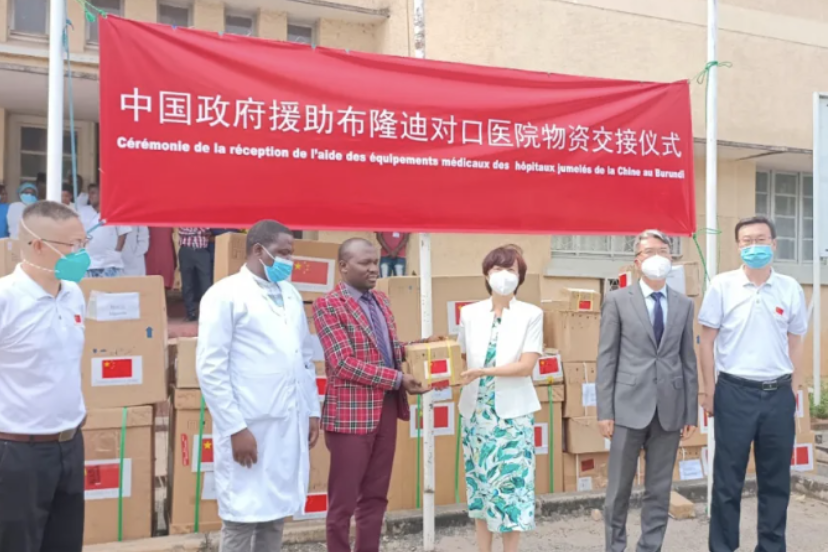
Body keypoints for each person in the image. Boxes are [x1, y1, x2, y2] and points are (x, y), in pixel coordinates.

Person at [197, 220, 320, 552]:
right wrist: (235, 428)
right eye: (283, 253)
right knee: (241, 516)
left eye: (291, 253)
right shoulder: (225, 295)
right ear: (258, 250)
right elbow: (211, 368)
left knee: (275, 514)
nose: (289, 261)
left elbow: (304, 358)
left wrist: (311, 411)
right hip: (249, 424)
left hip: (287, 424)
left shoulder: (290, 294)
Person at [313, 238, 436, 552]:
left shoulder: (380, 300)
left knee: (376, 496)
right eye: (365, 263)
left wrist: (423, 348)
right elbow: (343, 363)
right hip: (350, 416)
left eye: (376, 262)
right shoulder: (328, 305)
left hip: (386, 408)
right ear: (343, 266)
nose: (373, 269)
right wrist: (398, 379)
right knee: (343, 502)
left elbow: (388, 351)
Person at [700, 216, 807, 552]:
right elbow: (706, 340)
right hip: (734, 392)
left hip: (778, 394)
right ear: (738, 247)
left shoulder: (790, 287)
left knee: (776, 481)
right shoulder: (722, 285)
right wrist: (709, 390)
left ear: (774, 244)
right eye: (746, 241)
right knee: (727, 480)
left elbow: (796, 341)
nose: (754, 246)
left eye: (761, 239)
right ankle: (722, 547)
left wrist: (794, 387)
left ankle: (772, 547)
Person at [597, 229, 697, 552]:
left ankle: (650, 547)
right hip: (627, 408)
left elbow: (688, 360)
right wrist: (605, 411)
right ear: (637, 261)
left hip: (669, 408)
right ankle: (615, 547)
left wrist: (690, 411)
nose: (658, 257)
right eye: (650, 251)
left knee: (659, 489)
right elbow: (606, 358)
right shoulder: (617, 300)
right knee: (618, 490)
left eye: (663, 251)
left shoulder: (684, 304)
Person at [0, 200, 90, 552]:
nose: (82, 254)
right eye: (74, 245)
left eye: (84, 243)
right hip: (18, 452)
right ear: (38, 245)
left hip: (69, 445)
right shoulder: (6, 299)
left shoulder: (73, 294)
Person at [455, 245, 543, 552]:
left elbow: (526, 366)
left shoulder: (531, 314)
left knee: (511, 492)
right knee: (480, 489)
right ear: (486, 274)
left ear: (520, 277)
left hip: (512, 418)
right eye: (497, 269)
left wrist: (484, 371)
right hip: (475, 414)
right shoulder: (469, 313)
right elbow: (460, 357)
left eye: (511, 270)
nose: (503, 276)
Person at [78, 184, 131, 278]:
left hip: (109, 263)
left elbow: (123, 233)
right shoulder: (82, 211)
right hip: (88, 262)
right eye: (89, 193)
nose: (90, 196)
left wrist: (117, 253)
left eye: (93, 193)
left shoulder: (116, 211)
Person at [178, 227, 213, 321]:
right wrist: (200, 229)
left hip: (202, 252)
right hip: (186, 251)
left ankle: (206, 312)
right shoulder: (184, 218)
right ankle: (190, 312)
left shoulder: (204, 218)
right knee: (187, 284)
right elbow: (182, 231)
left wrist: (196, 230)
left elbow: (207, 230)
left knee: (206, 284)